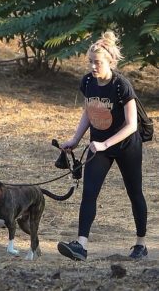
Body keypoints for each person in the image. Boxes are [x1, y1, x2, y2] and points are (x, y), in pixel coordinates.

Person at [57, 30, 148, 261]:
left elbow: (132, 125)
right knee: (89, 192)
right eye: (90, 62)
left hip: (126, 145)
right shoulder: (88, 82)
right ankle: (81, 245)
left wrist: (106, 143)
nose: (93, 67)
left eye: (97, 62)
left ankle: (140, 244)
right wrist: (75, 140)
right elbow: (89, 111)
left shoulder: (121, 85)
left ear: (110, 62)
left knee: (134, 193)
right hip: (99, 146)